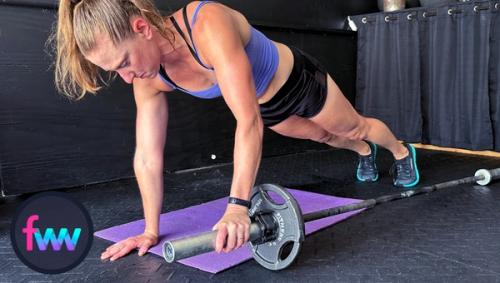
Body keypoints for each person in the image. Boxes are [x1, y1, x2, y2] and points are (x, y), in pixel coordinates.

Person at [52, 0, 420, 262]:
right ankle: (362, 152)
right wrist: (151, 230)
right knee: (322, 136)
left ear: (142, 28)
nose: (127, 76)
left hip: (299, 82)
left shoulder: (207, 24)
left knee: (352, 125)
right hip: (264, 104)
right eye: (116, 71)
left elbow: (247, 122)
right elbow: (148, 156)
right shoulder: (149, 80)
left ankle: (401, 152)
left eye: (124, 63)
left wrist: (237, 207)